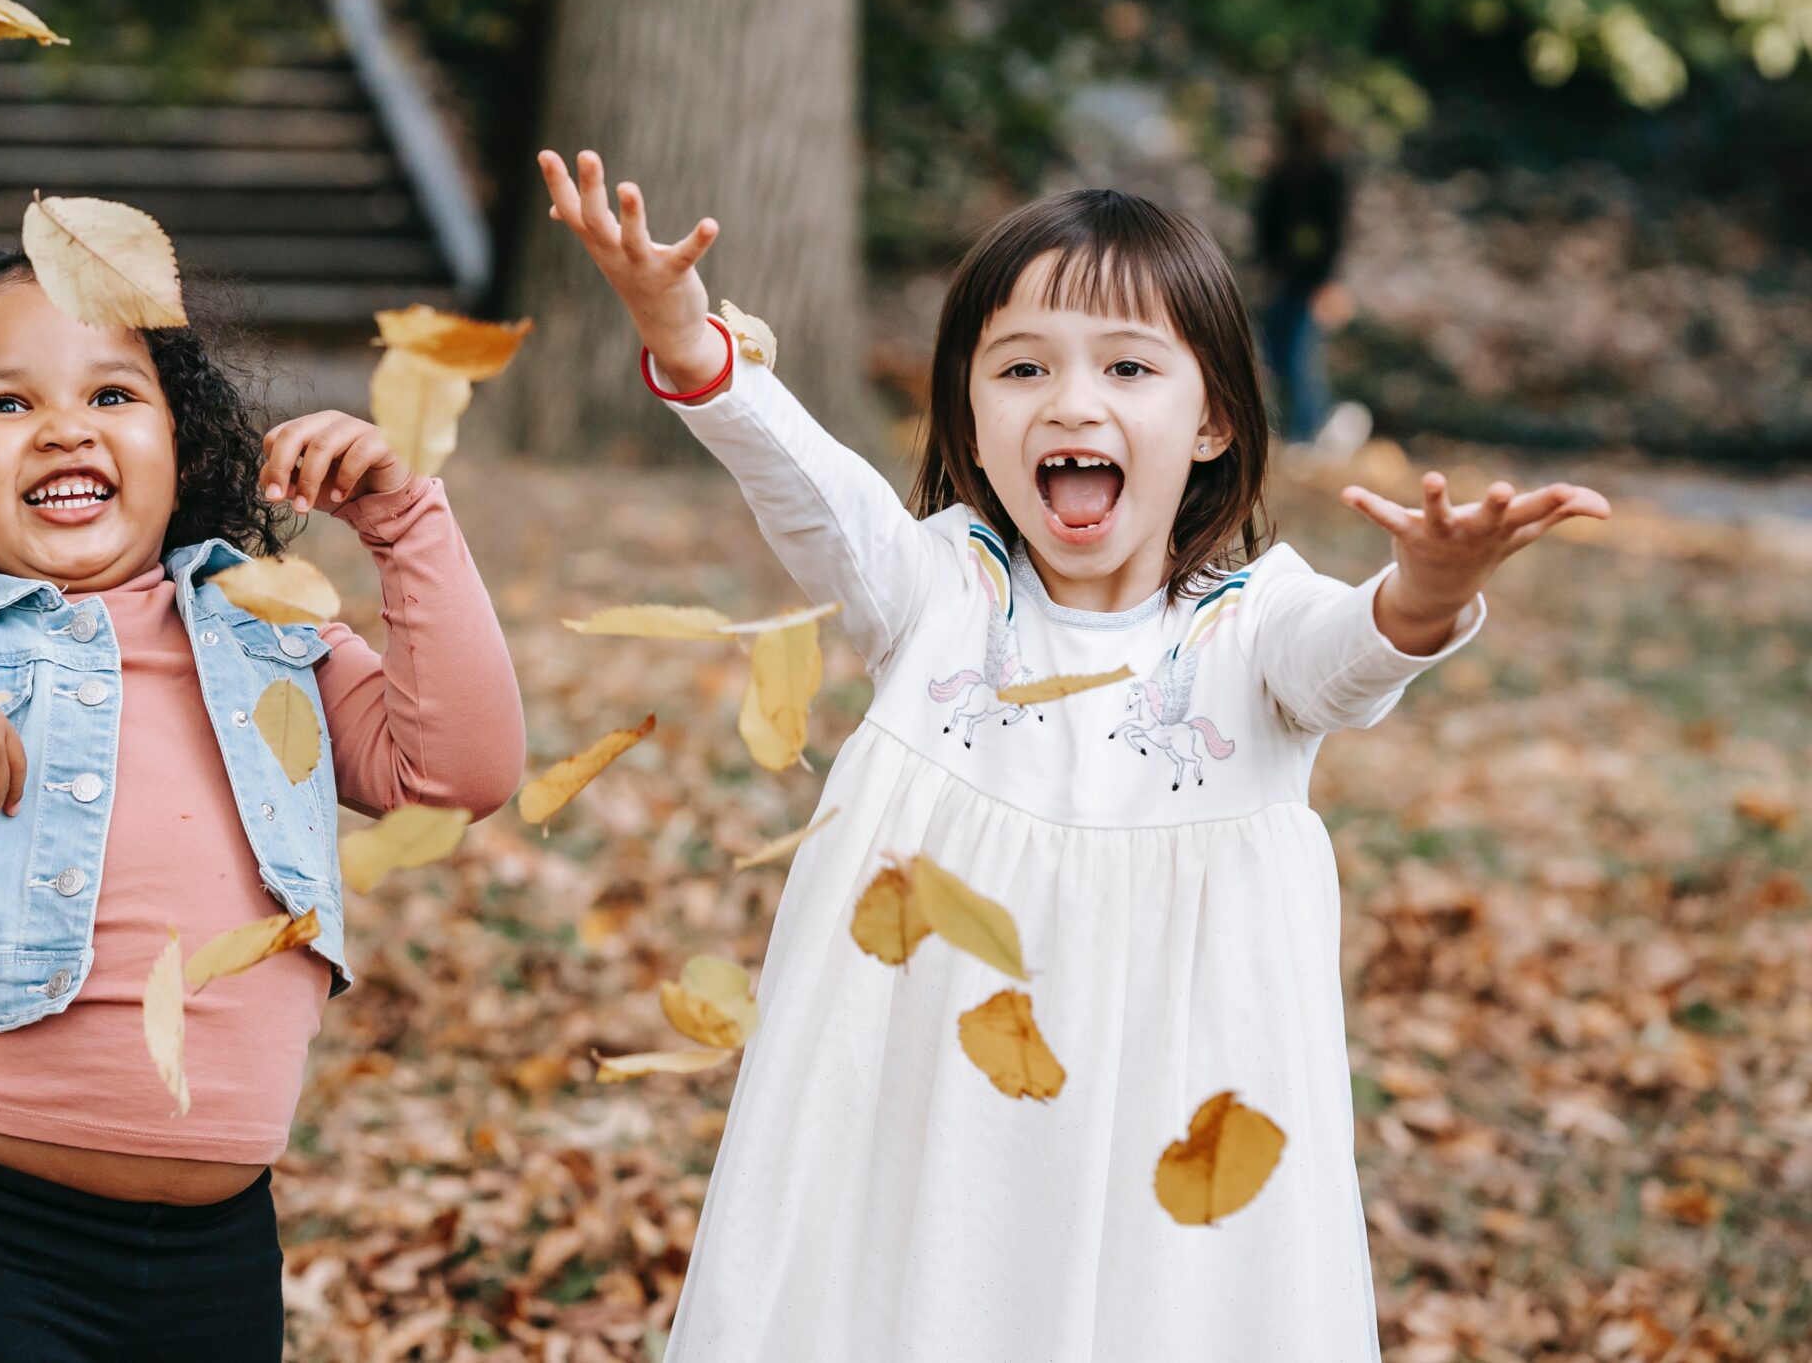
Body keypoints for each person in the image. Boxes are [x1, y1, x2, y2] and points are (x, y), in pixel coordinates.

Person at [539, 149, 1607, 1362]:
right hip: (929, 1117)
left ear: (1210, 423)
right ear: (970, 419)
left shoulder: (1254, 626)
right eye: (1022, 368)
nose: (1071, 400)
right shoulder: (933, 589)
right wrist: (683, 333)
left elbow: (1349, 657)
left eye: (1128, 367)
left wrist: (1424, 589)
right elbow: (801, 479)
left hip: (1172, 1123)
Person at [0, 250, 524, 1361]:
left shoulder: (273, 632)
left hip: (217, 1263)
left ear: (181, 451)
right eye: (6, 401)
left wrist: (405, 522)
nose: (67, 427)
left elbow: (456, 774)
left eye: (113, 394)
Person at [1253, 101, 1359, 448]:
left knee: (1300, 357)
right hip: (1286, 279)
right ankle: (1290, 429)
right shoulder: (1281, 177)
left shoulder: (1327, 177)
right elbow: (1266, 227)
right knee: (1275, 355)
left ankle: (1308, 431)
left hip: (1309, 282)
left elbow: (1334, 232)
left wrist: (1326, 282)